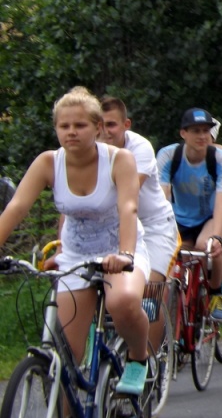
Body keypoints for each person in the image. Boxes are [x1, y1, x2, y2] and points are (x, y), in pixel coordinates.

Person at [0, 87, 150, 399]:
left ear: (97, 128)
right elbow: (15, 209)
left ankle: (138, 357)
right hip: (76, 255)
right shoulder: (47, 163)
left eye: (79, 125)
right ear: (56, 129)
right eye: (64, 126)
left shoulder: (119, 159)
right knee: (66, 359)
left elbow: (128, 208)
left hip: (120, 249)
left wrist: (124, 254)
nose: (71, 132)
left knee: (121, 302)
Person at [100, 96, 179, 354]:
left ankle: (148, 363)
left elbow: (128, 193)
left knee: (149, 294)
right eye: (99, 124)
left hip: (155, 227)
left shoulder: (140, 148)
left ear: (126, 125)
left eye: (111, 124)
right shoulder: (88, 149)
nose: (105, 131)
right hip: (117, 225)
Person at [157, 108, 222, 322]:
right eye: (195, 131)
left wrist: (217, 237)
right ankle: (180, 313)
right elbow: (162, 201)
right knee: (175, 261)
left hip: (211, 217)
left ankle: (217, 295)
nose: (202, 136)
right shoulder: (168, 155)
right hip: (181, 218)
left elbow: (221, 203)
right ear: (183, 133)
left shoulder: (221, 158)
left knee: (207, 246)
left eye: (206, 130)